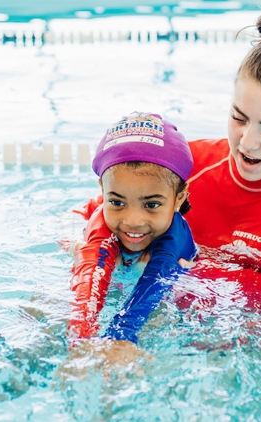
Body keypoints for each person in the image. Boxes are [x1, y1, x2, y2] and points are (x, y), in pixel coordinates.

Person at [75, 0, 261, 342]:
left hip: (245, 335)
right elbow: (96, 214)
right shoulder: (186, 165)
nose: (248, 142)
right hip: (155, 314)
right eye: (239, 118)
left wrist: (188, 271)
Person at [67, 112, 197, 344]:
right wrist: (79, 342)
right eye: (117, 202)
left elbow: (153, 287)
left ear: (179, 198)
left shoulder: (175, 247)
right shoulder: (96, 226)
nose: (133, 220)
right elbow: (84, 295)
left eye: (152, 205)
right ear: (103, 190)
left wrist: (121, 339)